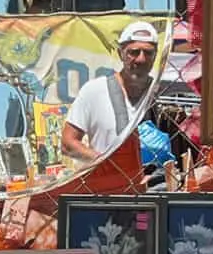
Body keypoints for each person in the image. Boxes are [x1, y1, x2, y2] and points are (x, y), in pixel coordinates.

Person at [61, 21, 158, 162]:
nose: (141, 59)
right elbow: (68, 143)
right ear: (120, 53)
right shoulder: (94, 91)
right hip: (107, 180)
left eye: (148, 53)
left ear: (155, 56)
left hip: (158, 181)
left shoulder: (161, 95)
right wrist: (105, 163)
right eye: (134, 52)